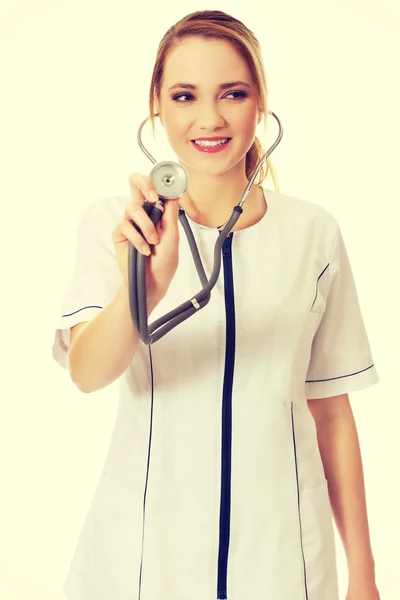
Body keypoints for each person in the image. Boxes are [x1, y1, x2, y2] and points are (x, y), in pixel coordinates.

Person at [52, 10, 381, 600]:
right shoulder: (115, 227)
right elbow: (87, 372)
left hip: (286, 558)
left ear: (261, 102)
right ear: (157, 106)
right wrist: (145, 286)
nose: (209, 118)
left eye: (233, 93)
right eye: (185, 96)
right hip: (143, 557)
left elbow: (332, 412)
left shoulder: (313, 234)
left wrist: (365, 575)